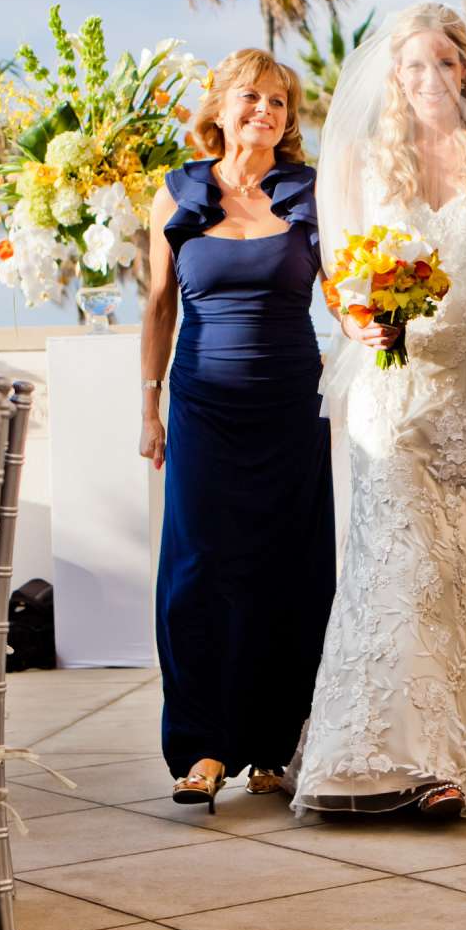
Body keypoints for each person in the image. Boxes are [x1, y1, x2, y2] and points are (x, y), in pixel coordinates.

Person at [294, 5, 466, 819]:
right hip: (392, 385)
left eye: (444, 63)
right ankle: (396, 757)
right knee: (398, 559)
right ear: (393, 79)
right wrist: (369, 318)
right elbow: (341, 275)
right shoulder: (366, 154)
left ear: (464, 68)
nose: (430, 79)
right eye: (413, 68)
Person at [139, 50, 334, 811]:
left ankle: (277, 746)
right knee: (199, 571)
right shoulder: (176, 192)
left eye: (279, 101)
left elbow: (343, 291)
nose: (266, 110)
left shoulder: (309, 193)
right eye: (250, 97)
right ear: (219, 108)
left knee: (291, 567)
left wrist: (387, 321)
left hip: (292, 402)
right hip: (202, 405)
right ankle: (203, 748)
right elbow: (159, 306)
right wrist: (148, 407)